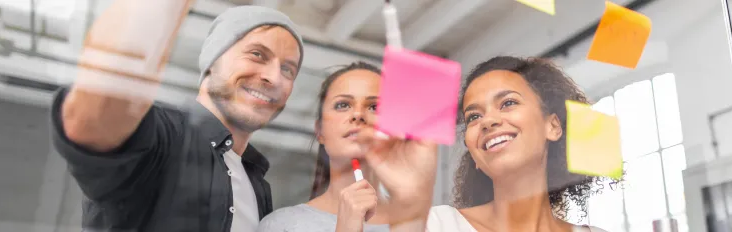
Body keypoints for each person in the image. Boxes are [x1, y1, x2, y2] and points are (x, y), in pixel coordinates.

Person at [51, 2, 304, 231]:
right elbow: (92, 120)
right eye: (257, 54)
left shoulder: (256, 182)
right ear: (212, 61)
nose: (274, 78)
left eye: (287, 70)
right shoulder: (159, 137)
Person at [356, 56, 611, 232]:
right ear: (475, 157)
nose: (487, 121)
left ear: (552, 126)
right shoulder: (436, 225)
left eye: (508, 103)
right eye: (474, 117)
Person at [257, 62, 389, 232]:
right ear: (320, 130)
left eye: (374, 107)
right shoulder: (281, 226)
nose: (358, 114)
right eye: (342, 105)